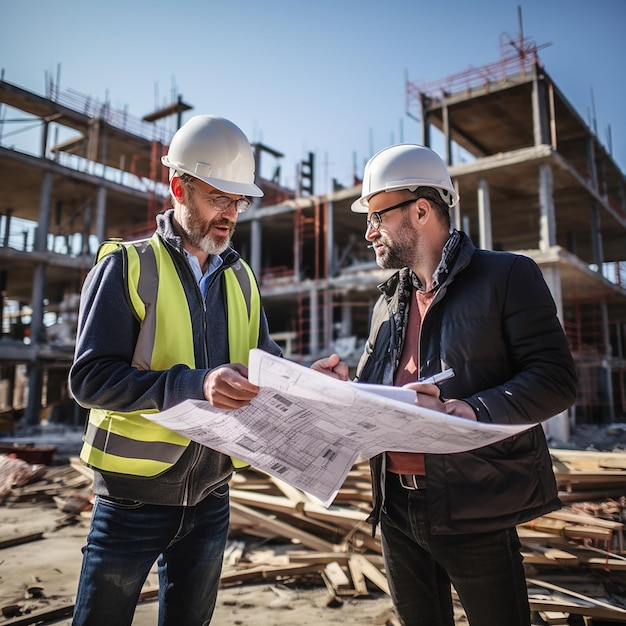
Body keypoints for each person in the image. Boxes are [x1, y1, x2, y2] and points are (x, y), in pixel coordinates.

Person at [69, 114, 345, 626]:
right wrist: (197, 384)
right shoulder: (127, 266)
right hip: (131, 499)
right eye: (219, 197)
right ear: (179, 186)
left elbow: (263, 363)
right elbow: (90, 380)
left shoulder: (240, 277)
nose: (230, 214)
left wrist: (308, 380)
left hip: (212, 497)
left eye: (238, 202)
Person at [351, 144, 577, 626]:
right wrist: (337, 387)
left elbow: (555, 379)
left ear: (421, 209)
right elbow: (372, 388)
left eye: (376, 216)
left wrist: (473, 409)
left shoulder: (508, 276)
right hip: (395, 507)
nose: (368, 232)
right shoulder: (388, 301)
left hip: (475, 506)